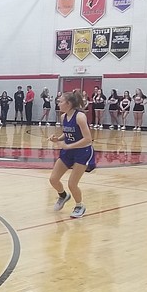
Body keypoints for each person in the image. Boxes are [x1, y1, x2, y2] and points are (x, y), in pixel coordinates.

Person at [48, 90, 95, 219]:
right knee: (53, 179)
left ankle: (80, 205)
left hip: (83, 151)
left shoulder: (80, 116)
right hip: (68, 151)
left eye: (61, 101)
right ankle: (63, 196)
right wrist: (58, 138)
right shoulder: (64, 117)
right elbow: (69, 133)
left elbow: (87, 139)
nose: (58, 103)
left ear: (68, 104)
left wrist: (69, 145)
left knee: (72, 183)